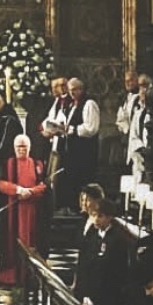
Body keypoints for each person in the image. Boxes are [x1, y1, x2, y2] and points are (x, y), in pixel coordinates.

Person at [75, 197, 133, 305]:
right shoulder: (92, 235)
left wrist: (92, 300)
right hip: (87, 296)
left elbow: (113, 275)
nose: (95, 219)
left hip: (105, 301)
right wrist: (81, 293)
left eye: (99, 216)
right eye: (93, 215)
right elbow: (84, 264)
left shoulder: (118, 241)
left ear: (109, 217)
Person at [0, 135, 47, 285]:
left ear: (29, 148)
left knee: (31, 241)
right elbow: (1, 184)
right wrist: (18, 190)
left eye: (24, 147)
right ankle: (12, 274)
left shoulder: (37, 164)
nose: (21, 150)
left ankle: (31, 274)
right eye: (18, 147)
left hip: (32, 210)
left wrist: (30, 192)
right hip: (14, 210)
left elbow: (44, 185)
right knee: (13, 241)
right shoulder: (8, 164)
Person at [58, 77, 100, 208]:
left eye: (75, 89)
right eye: (70, 90)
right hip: (72, 152)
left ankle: (84, 208)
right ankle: (72, 207)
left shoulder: (89, 104)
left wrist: (72, 129)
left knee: (83, 181)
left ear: (81, 89)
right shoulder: (71, 105)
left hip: (84, 151)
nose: (72, 93)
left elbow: (91, 128)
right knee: (71, 181)